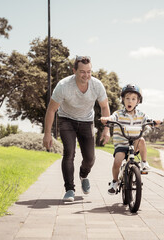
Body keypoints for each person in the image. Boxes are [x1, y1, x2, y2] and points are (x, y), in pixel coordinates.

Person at [43, 55, 110, 202]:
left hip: (86, 121)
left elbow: (104, 107)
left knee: (90, 158)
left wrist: (106, 129)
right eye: (82, 71)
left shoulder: (97, 85)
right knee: (69, 153)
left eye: (89, 71)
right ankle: (69, 189)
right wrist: (47, 134)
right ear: (74, 71)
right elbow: (51, 110)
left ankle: (83, 175)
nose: (86, 75)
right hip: (67, 120)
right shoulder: (63, 86)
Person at [100, 84, 161, 195]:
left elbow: (148, 120)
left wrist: (154, 122)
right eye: (127, 98)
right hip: (121, 144)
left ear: (138, 101)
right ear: (123, 99)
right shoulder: (118, 114)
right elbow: (112, 118)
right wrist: (107, 119)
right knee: (117, 162)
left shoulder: (141, 115)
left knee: (141, 140)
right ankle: (115, 181)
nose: (130, 101)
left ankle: (144, 163)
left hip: (135, 143)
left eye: (133, 99)